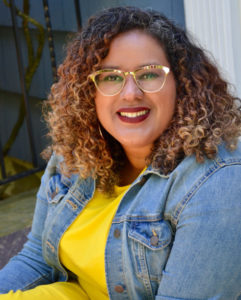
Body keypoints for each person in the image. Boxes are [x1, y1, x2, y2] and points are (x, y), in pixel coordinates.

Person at [0, 6, 241, 300]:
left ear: (183, 84)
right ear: (89, 92)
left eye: (150, 74)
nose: (130, 93)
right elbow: (36, 257)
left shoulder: (218, 178)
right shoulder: (75, 152)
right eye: (110, 76)